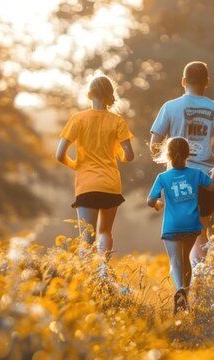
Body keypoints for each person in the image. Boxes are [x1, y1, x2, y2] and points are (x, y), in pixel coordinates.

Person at [149, 61, 214, 265]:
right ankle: (199, 276)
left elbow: (154, 143)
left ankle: (183, 283)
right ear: (207, 82)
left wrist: (169, 158)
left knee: (179, 231)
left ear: (184, 81)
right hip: (207, 178)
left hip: (177, 179)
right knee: (201, 231)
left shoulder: (170, 107)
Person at [56, 75, 134, 257]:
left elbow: (59, 155)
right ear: (110, 95)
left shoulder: (78, 119)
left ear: (90, 94)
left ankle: (86, 277)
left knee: (86, 238)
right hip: (110, 184)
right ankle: (102, 272)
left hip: (86, 184)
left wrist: (75, 165)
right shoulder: (117, 121)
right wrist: (119, 156)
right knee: (105, 232)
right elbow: (129, 156)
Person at [147, 137, 214, 314]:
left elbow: (150, 200)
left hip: (172, 226)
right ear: (189, 154)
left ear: (168, 155)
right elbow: (211, 187)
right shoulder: (195, 173)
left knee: (175, 261)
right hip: (191, 224)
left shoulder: (163, 177)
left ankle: (178, 290)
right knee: (186, 257)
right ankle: (185, 291)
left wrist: (158, 204)